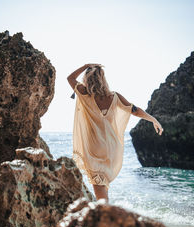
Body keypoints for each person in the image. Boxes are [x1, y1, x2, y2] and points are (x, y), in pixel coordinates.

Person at [67, 64, 163, 202]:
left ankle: (105, 218)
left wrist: (86, 65)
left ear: (87, 79)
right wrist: (153, 119)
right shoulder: (114, 97)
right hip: (112, 147)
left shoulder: (84, 94)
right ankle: (106, 216)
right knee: (103, 186)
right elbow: (134, 110)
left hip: (95, 148)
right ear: (103, 79)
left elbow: (70, 78)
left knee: (100, 189)